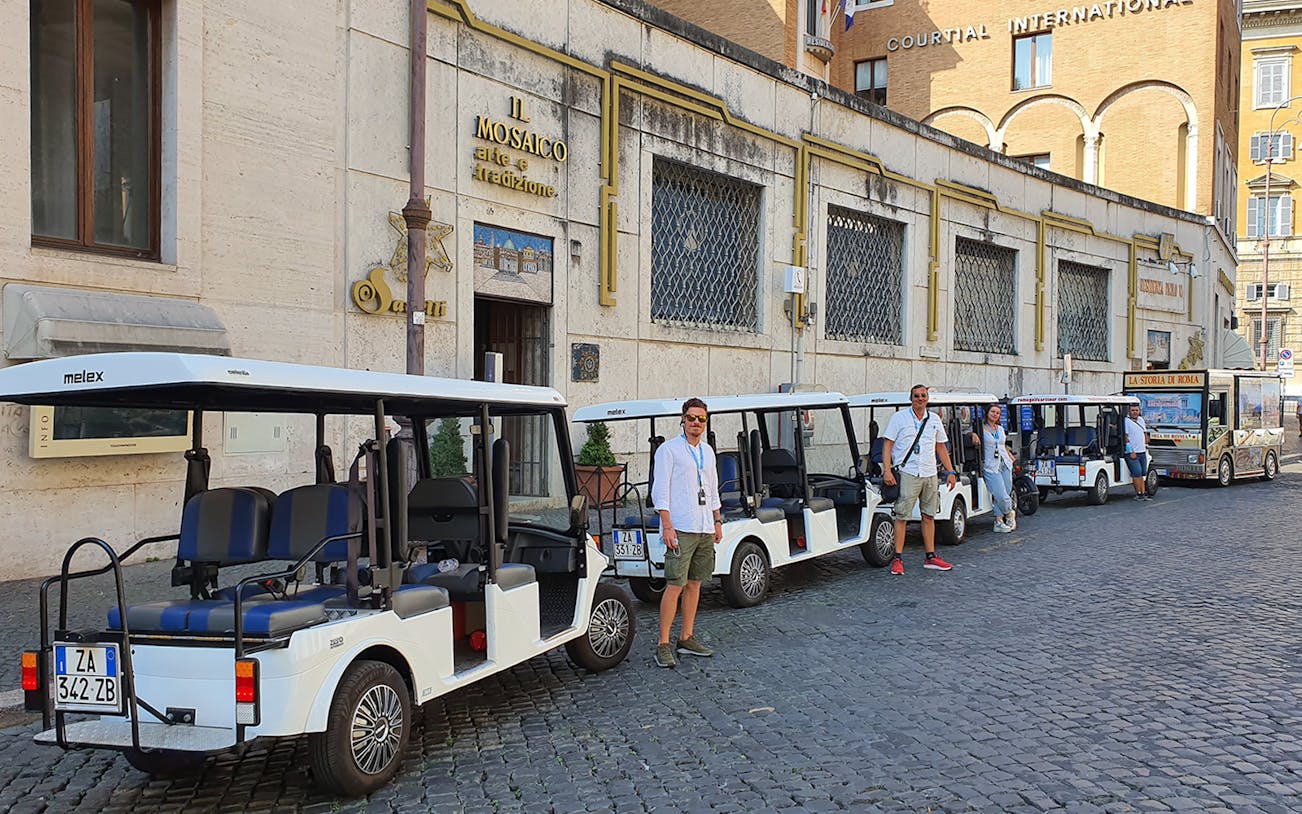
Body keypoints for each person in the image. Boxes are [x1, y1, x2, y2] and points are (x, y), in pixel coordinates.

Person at [650, 398, 723, 668]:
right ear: (683, 419)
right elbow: (661, 491)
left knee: (695, 583)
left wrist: (717, 520)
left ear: (706, 422)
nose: (696, 422)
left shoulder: (708, 452)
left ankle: (687, 637)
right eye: (691, 417)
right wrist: (667, 526)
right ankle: (663, 643)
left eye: (701, 419)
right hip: (680, 527)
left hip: (704, 525)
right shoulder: (669, 451)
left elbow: (713, 489)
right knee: (675, 585)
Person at [881, 385, 958, 575]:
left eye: (923, 396)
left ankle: (930, 556)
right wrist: (887, 470)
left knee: (929, 515)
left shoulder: (934, 420)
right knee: (902, 516)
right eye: (916, 396)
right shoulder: (899, 418)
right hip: (908, 472)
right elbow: (887, 444)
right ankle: (897, 558)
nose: (920, 399)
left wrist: (950, 471)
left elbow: (941, 447)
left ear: (927, 398)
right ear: (911, 398)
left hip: (929, 472)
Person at [971, 403, 1017, 533]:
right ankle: (1009, 513)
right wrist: (972, 434)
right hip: (991, 465)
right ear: (987, 413)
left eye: (997, 413)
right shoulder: (981, 428)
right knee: (1000, 494)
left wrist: (1010, 456)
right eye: (993, 412)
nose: (995, 415)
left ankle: (998, 521)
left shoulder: (1000, 429)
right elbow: (966, 431)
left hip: (1005, 463)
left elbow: (1002, 445)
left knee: (1004, 492)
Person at [1124, 403, 1152, 501]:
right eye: (1132, 410)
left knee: (1143, 473)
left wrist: (1146, 441)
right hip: (1132, 452)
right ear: (1129, 411)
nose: (1135, 412)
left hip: (1142, 451)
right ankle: (1138, 493)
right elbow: (1125, 437)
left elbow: (1144, 433)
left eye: (1136, 410)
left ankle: (1143, 493)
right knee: (1137, 472)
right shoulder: (1126, 421)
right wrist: (1130, 451)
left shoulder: (1141, 420)